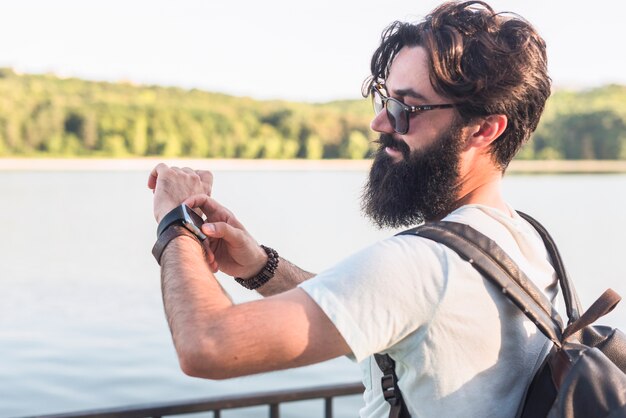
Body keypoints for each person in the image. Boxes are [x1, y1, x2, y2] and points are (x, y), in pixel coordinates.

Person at [147, 1, 555, 416]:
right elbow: (378, 319)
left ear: (484, 129)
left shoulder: (421, 264)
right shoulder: (529, 243)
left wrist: (176, 223)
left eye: (406, 109)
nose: (380, 123)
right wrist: (259, 267)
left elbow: (208, 346)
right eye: (383, 99)